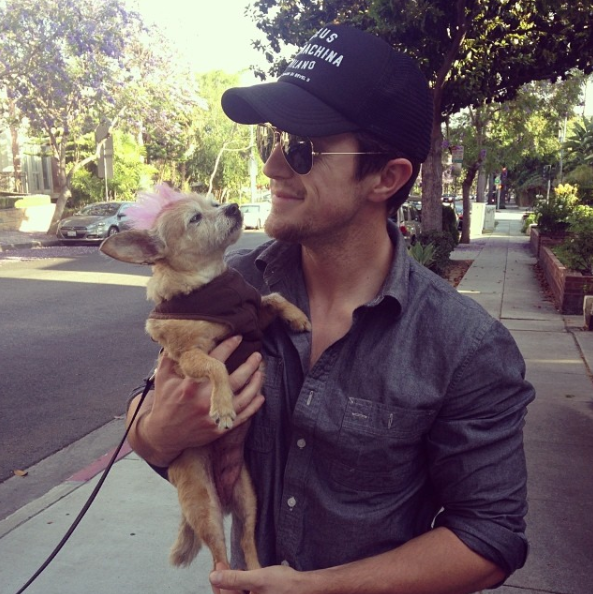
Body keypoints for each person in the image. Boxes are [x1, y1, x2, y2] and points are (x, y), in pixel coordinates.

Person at [127, 24, 535, 594]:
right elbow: (145, 415)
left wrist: (315, 586)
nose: (273, 166)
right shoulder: (229, 287)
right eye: (274, 140)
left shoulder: (463, 346)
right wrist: (158, 432)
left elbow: (489, 539)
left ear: (387, 177)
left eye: (303, 148)